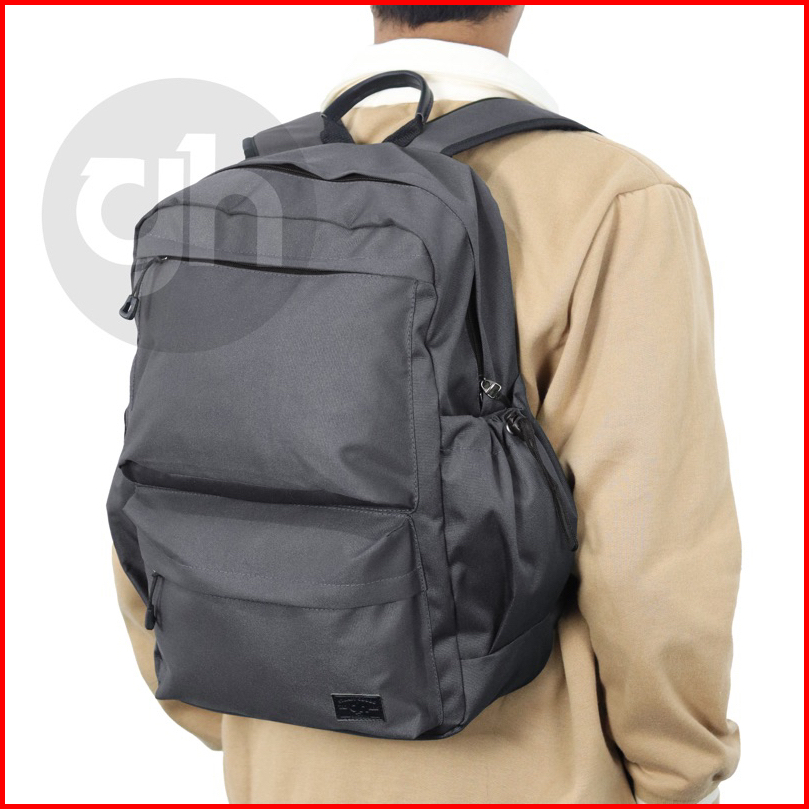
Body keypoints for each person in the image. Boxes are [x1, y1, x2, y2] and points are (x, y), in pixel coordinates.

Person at [113, 5, 741, 803]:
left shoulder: (234, 203)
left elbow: (158, 479)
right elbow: (651, 548)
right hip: (534, 772)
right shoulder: (613, 198)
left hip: (278, 768)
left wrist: (241, 705)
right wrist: (676, 771)